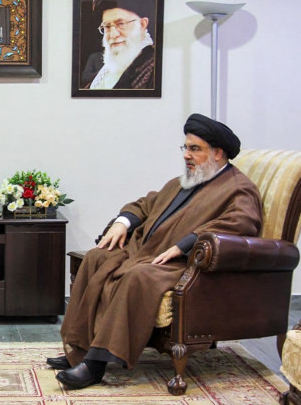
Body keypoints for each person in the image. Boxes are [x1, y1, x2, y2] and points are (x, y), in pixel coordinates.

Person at [48, 114, 262, 389]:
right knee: (95, 257)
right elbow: (146, 204)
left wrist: (183, 245)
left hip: (184, 264)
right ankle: (77, 350)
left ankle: (95, 365)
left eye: (195, 149)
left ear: (218, 153)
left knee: (138, 277)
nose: (186, 155)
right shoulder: (184, 181)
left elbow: (242, 223)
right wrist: (122, 223)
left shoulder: (238, 188)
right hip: (144, 249)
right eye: (185, 148)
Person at [84, 0, 156, 90]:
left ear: (142, 24)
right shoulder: (104, 72)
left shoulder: (153, 67)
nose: (113, 34)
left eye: (121, 24)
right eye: (107, 26)